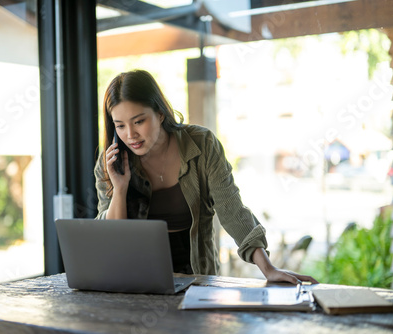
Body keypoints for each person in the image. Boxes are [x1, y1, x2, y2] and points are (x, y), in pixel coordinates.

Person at [94, 69, 317, 284]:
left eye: (139, 121)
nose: (130, 135)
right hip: (137, 279)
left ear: (160, 113)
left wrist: (268, 269)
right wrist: (120, 189)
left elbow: (232, 210)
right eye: (120, 126)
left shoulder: (202, 144)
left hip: (197, 277)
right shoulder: (112, 162)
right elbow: (111, 240)